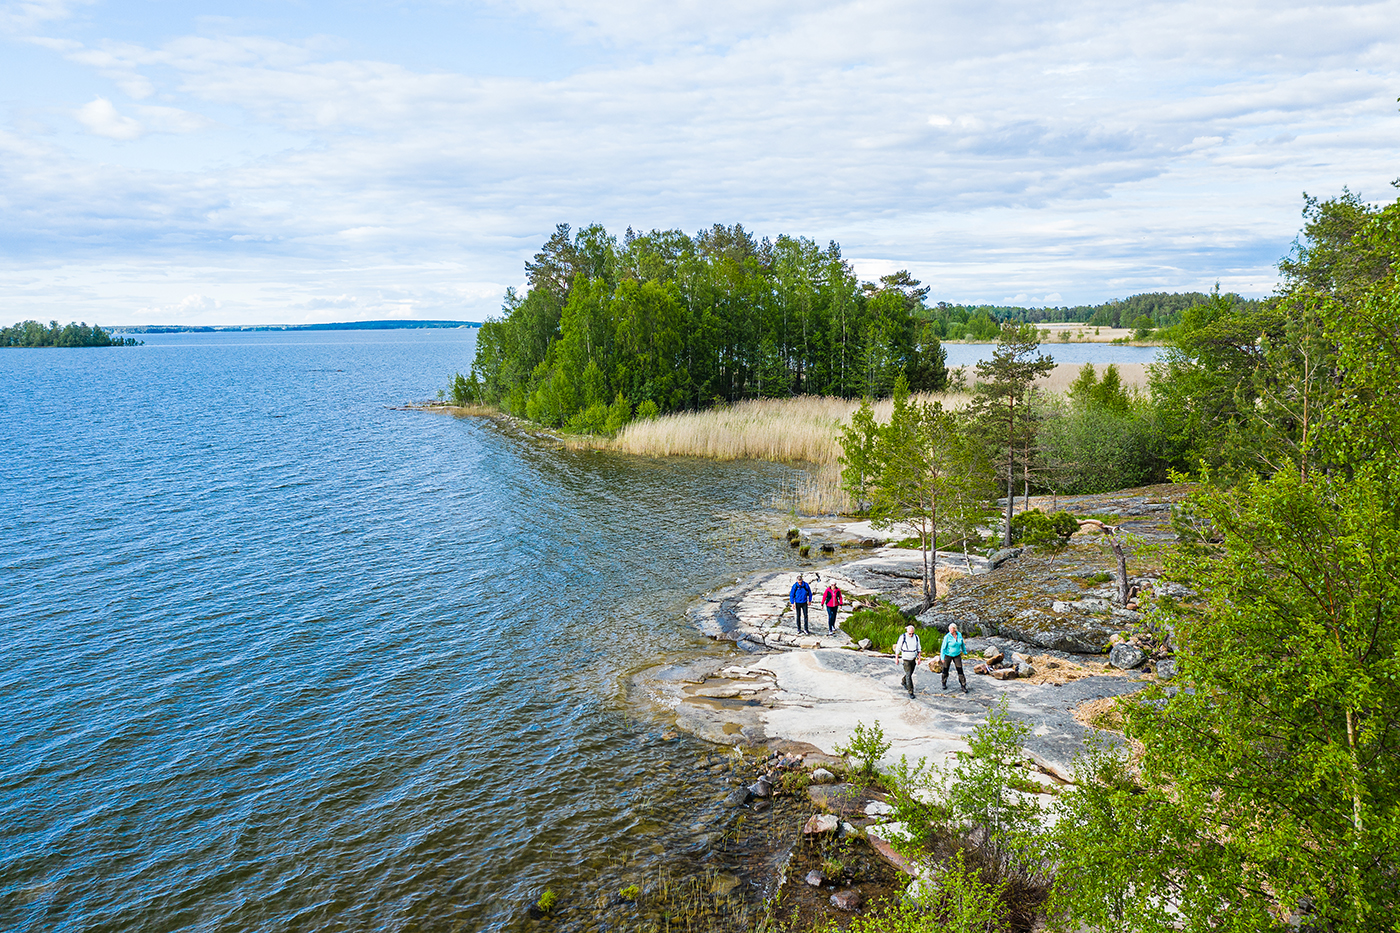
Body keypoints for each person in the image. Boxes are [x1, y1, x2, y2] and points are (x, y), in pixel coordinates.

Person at [894, 625, 921, 698]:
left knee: (909, 673)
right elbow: (898, 648)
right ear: (907, 632)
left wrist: (919, 658)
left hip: (913, 658)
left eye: (912, 633)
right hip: (906, 658)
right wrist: (896, 658)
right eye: (910, 633)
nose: (911, 635)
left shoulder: (916, 637)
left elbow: (919, 648)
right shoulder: (903, 637)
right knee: (909, 675)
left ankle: (903, 681)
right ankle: (911, 691)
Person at [940, 622, 968, 693]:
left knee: (960, 669)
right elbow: (943, 648)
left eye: (951, 629)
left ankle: (963, 685)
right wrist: (942, 657)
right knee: (945, 669)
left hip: (957, 655)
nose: (949, 630)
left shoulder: (959, 635)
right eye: (949, 629)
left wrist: (964, 651)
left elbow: (962, 644)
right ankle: (944, 682)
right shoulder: (947, 637)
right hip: (948, 655)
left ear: (955, 629)